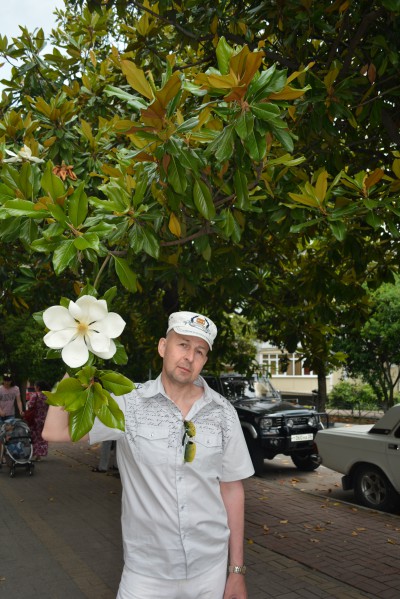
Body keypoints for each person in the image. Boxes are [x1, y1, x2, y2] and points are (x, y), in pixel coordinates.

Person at [43, 311, 255, 599]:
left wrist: (237, 571)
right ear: (163, 347)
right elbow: (54, 431)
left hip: (210, 572)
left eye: (199, 351)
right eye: (183, 344)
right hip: (146, 575)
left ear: (204, 360)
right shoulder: (129, 403)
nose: (189, 357)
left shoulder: (223, 413)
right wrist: (74, 357)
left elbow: (232, 489)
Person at [0, 373, 24, 465]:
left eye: (8, 381)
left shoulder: (15, 389)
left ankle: (9, 455)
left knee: (9, 436)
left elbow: (18, 401)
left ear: (11, 381)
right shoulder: (0, 389)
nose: (7, 383)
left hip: (10, 415)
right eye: (5, 381)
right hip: (1, 415)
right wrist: (0, 411)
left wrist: (21, 410)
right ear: (3, 380)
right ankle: (1, 457)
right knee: (1, 436)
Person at [23, 381, 50, 461]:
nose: (34, 387)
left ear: (38, 387)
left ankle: (35, 454)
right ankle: (40, 454)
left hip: (35, 419)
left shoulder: (35, 395)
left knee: (34, 436)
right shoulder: (48, 396)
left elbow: (30, 405)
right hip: (44, 419)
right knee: (42, 437)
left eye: (35, 386)